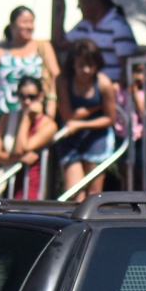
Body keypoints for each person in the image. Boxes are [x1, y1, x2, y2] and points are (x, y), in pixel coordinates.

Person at [0, 5, 61, 124]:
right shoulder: (0, 53)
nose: (29, 26)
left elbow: (56, 75)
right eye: (24, 22)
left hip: (33, 115)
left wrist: (51, 101)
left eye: (31, 22)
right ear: (12, 25)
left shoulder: (42, 47)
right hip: (5, 117)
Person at [56, 38, 118, 201]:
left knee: (93, 194)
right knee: (74, 192)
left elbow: (110, 118)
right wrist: (91, 109)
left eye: (91, 65)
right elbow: (67, 116)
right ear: (72, 65)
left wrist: (81, 123)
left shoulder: (104, 84)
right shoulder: (63, 81)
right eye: (81, 65)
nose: (86, 70)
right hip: (71, 138)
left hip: (96, 137)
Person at [58, 0, 138, 83]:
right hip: (87, 89)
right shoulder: (83, 25)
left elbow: (128, 67)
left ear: (95, 2)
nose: (79, 7)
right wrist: (61, 11)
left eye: (82, 2)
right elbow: (59, 43)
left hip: (111, 89)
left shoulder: (118, 27)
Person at [0, 75, 57, 199]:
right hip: (7, 184)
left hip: (32, 186)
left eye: (32, 97)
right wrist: (18, 160)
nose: (27, 101)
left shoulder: (48, 125)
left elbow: (22, 148)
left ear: (40, 96)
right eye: (22, 96)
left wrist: (25, 118)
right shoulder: (7, 118)